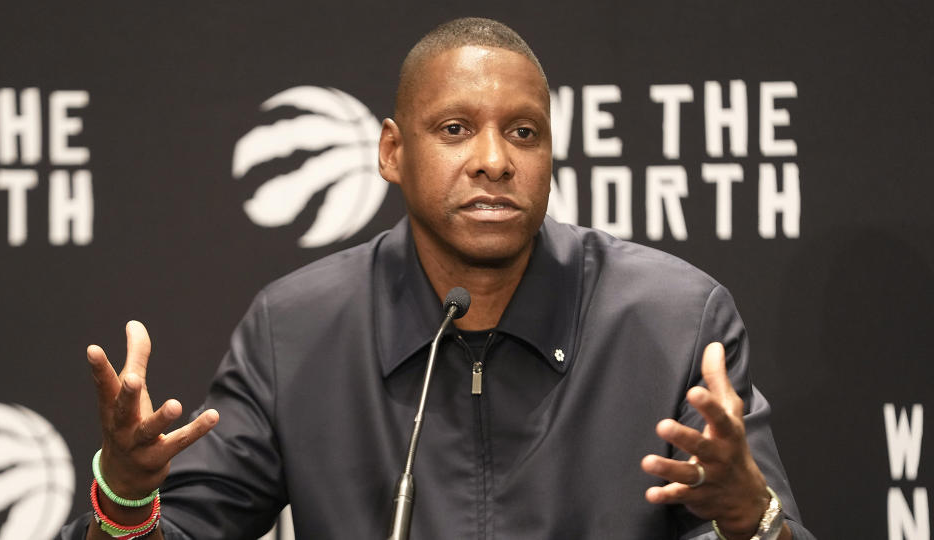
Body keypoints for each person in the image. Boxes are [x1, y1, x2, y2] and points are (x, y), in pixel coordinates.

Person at [62, 17, 815, 540]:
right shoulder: (297, 331)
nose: (494, 160)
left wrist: (753, 517)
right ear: (392, 151)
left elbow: (759, 525)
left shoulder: (674, 322)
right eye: (455, 130)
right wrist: (126, 498)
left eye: (524, 132)